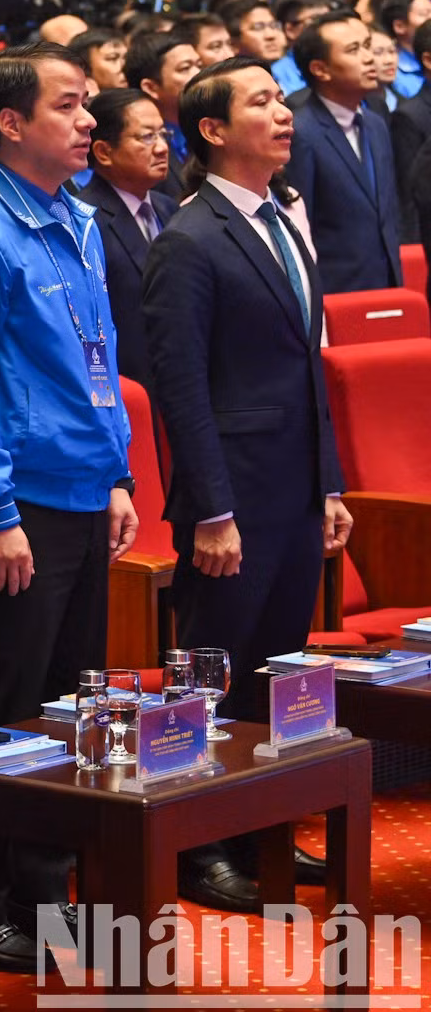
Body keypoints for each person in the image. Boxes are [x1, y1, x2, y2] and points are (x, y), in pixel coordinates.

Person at [0, 41, 138, 972]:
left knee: (65, 705)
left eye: (89, 104)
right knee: (2, 710)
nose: (89, 121)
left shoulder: (76, 219)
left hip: (83, 490)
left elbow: (95, 357)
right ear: (10, 124)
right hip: (18, 507)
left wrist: (118, 475)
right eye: (69, 106)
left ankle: (49, 888)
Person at [143, 57, 350, 903]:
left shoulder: (283, 221)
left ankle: (263, 829)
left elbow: (310, 367)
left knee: (276, 673)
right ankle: (199, 845)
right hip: (231, 502)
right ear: (213, 130)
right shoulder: (190, 240)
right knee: (210, 673)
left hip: (294, 491)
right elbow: (181, 389)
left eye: (281, 97)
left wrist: (329, 484)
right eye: (260, 100)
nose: (283, 112)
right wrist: (213, 509)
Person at [285, 12, 405, 292]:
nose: (368, 57)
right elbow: (301, 227)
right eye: (354, 50)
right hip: (335, 290)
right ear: (320, 69)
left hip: (387, 281)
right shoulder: (300, 132)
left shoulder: (375, 122)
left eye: (366, 45)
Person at [74, 87, 177, 388]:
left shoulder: (168, 208)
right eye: (146, 137)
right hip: (128, 388)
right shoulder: (84, 220)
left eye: (163, 135)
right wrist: (104, 394)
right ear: (104, 151)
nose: (161, 148)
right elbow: (89, 326)